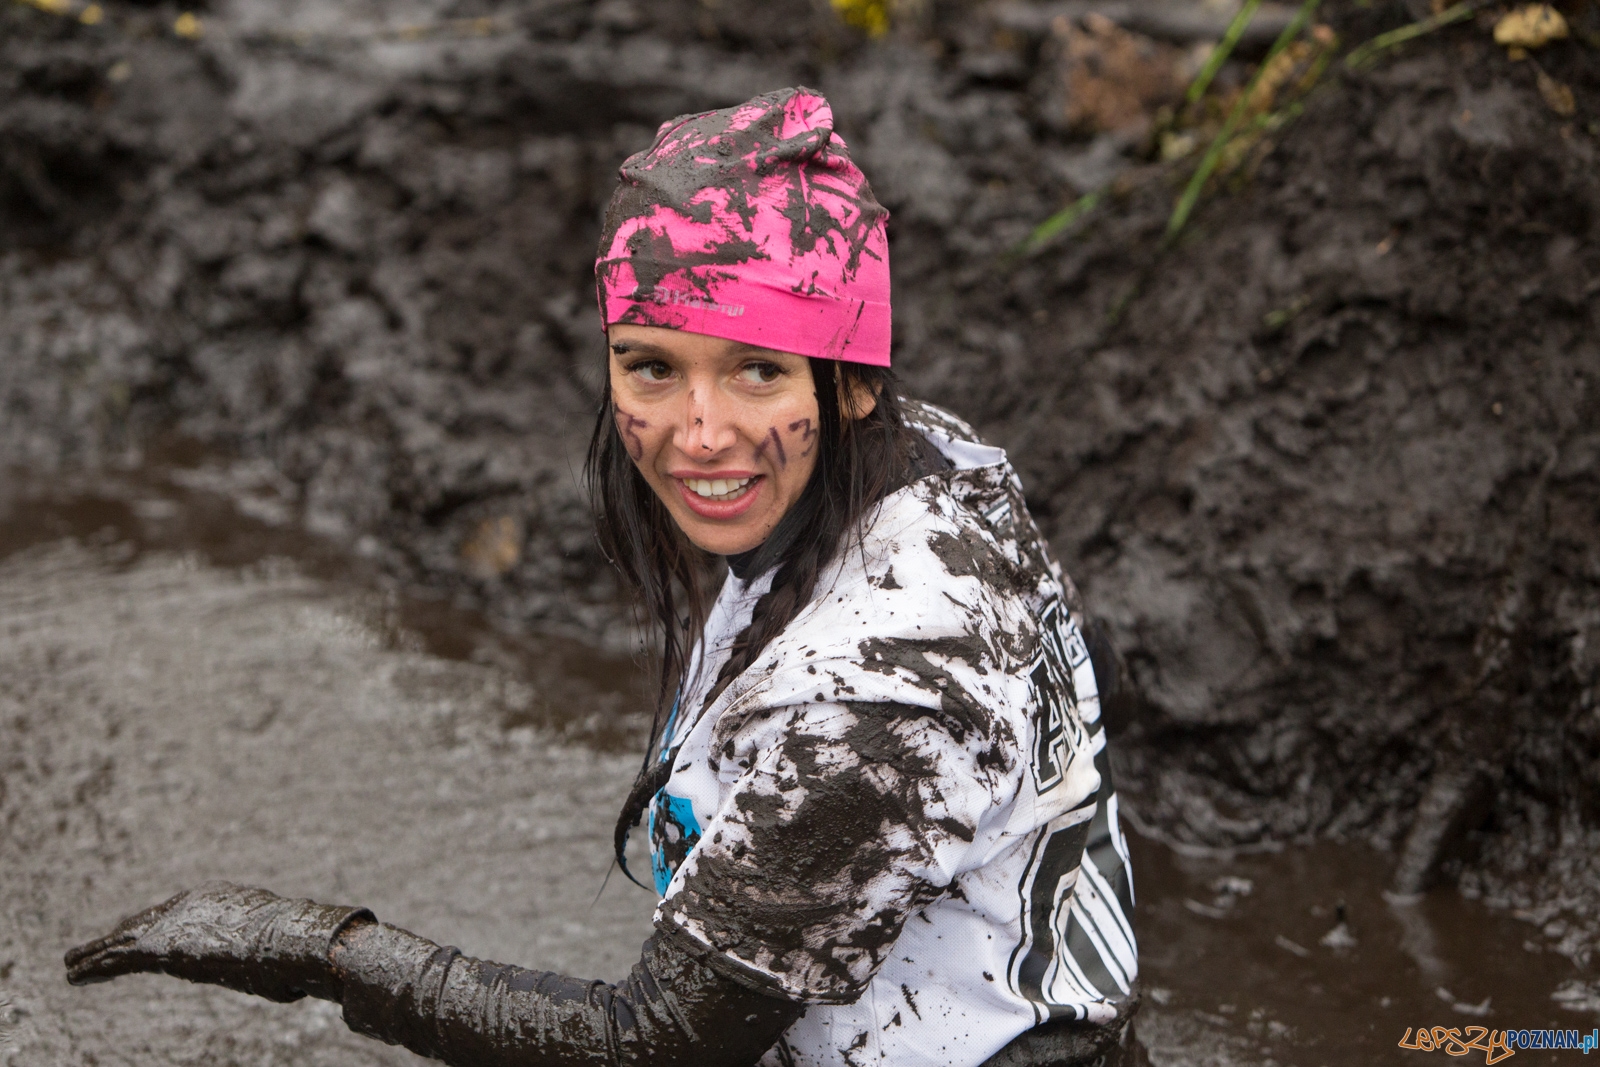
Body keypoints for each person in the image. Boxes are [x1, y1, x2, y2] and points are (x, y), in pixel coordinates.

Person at [64, 87, 1139, 1067]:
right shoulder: (930, 463)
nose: (697, 435)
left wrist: (313, 950)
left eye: (756, 369)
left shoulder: (885, 686)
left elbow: (653, 1044)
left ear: (853, 381)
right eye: (651, 366)